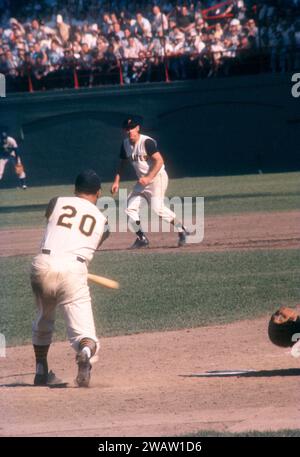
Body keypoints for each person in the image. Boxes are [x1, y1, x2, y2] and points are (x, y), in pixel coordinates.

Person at [30, 169, 109, 387]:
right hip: (73, 269)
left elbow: (54, 226)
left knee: (43, 318)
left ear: (75, 190)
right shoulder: (104, 222)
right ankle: (84, 351)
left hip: (42, 264)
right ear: (98, 192)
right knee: (85, 335)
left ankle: (41, 370)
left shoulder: (56, 201)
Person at [111, 117, 190, 248]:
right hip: (143, 182)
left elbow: (159, 161)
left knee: (157, 209)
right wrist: (116, 182)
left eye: (132, 128)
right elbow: (123, 163)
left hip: (156, 178)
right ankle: (141, 238)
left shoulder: (146, 142)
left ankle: (182, 229)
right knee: (129, 208)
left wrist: (148, 178)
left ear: (138, 128)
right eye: (127, 128)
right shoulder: (125, 144)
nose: (130, 131)